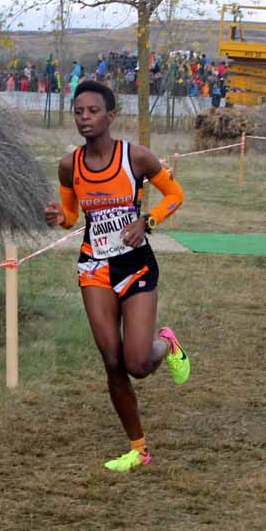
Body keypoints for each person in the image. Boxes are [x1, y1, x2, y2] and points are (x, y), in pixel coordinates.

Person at [44, 81, 189, 472]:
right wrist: (60, 219)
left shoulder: (136, 158)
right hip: (95, 266)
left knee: (137, 364)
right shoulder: (68, 165)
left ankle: (167, 344)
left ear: (110, 116)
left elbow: (175, 195)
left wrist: (148, 220)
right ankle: (138, 449)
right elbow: (72, 217)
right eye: (78, 112)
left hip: (135, 263)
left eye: (92, 111)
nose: (84, 118)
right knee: (111, 360)